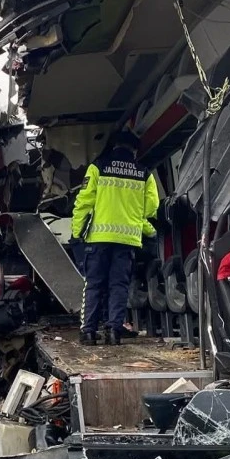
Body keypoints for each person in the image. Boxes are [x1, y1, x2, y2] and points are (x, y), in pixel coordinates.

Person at [71, 129, 158, 345]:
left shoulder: (98, 167)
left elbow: (84, 202)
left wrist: (77, 231)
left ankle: (89, 333)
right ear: (135, 150)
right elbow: (151, 208)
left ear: (113, 145)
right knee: (118, 285)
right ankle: (114, 331)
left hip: (98, 239)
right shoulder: (144, 173)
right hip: (127, 241)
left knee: (93, 284)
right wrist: (141, 224)